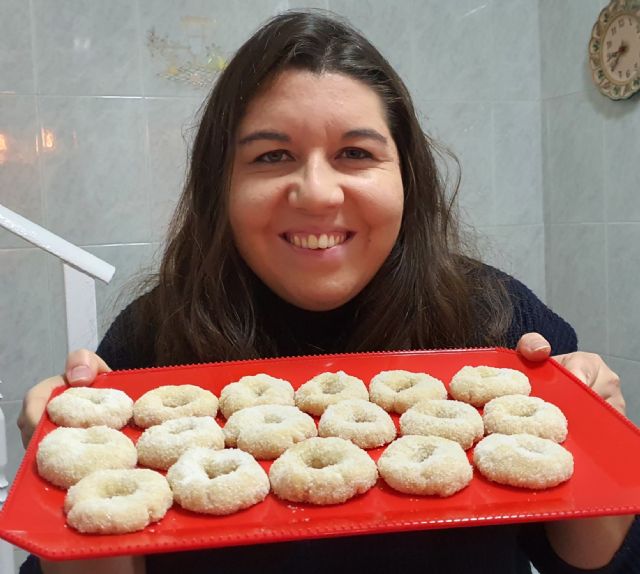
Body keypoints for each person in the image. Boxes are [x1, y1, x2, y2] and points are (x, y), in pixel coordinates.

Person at [17, 9, 637, 574]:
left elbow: (590, 562)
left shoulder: (497, 321)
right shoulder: (150, 342)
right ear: (220, 186)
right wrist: (64, 474)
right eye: (272, 156)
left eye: (355, 153)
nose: (316, 193)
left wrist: (598, 437)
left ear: (407, 177)